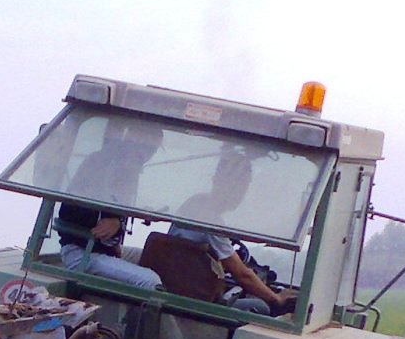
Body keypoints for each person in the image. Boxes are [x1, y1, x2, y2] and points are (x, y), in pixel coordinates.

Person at [166, 149, 291, 314]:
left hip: (176, 286)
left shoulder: (195, 202)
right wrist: (277, 299)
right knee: (261, 307)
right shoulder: (211, 220)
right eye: (239, 187)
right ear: (223, 184)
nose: (242, 193)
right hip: (192, 299)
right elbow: (242, 274)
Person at [54, 121, 164, 289]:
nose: (145, 154)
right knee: (150, 280)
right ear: (129, 139)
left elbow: (115, 211)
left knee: (159, 259)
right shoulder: (101, 164)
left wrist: (133, 215)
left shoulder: (128, 170)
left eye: (151, 150)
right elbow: (90, 218)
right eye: (142, 146)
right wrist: (115, 224)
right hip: (83, 252)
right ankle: (135, 316)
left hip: (105, 249)